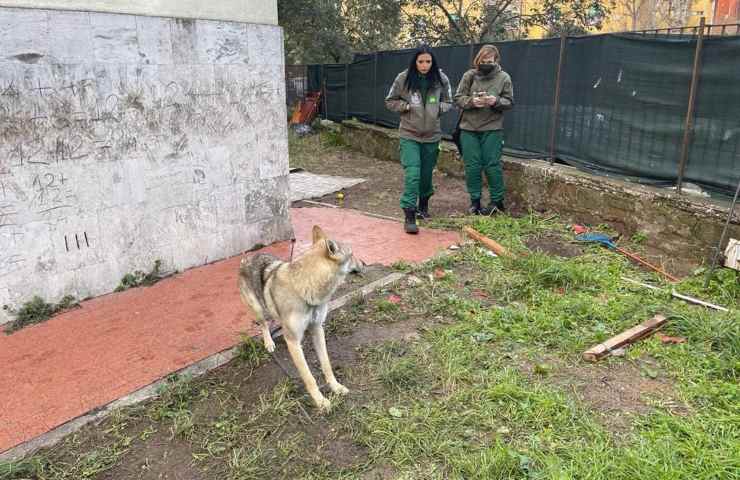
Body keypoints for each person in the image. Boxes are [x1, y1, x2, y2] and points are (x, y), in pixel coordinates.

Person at [385, 45, 453, 234]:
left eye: (428, 61)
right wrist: (405, 107)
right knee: (413, 173)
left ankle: (424, 206)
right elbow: (390, 101)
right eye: (421, 61)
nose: (424, 65)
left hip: (431, 136)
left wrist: (437, 109)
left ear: (433, 62)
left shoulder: (441, 79)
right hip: (409, 134)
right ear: (415, 62)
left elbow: (449, 101)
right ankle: (409, 214)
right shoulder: (403, 78)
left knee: (425, 175)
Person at [454, 44, 514, 215]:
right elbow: (458, 98)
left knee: (492, 165)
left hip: (492, 128)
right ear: (477, 60)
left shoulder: (504, 78)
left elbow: (509, 102)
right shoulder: (469, 75)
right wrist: (472, 102)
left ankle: (497, 202)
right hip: (469, 128)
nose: (486, 63)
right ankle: (475, 202)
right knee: (472, 166)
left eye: (489, 61)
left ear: (496, 61)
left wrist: (495, 101)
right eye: (483, 60)